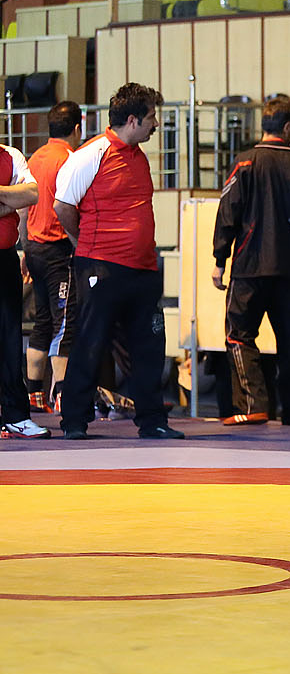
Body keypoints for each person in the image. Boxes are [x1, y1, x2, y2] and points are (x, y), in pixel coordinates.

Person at [54, 83, 184, 440]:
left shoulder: (139, 157)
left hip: (142, 268)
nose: (156, 124)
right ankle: (74, 421)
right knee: (90, 342)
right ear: (133, 120)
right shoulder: (91, 154)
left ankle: (153, 420)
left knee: (150, 345)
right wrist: (83, 240)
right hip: (101, 266)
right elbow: (62, 205)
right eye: (151, 117)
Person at [211, 95, 290, 427]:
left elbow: (228, 212)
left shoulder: (244, 163)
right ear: (289, 127)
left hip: (249, 267)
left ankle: (253, 405)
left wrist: (220, 258)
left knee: (238, 336)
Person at [22, 101, 80, 412]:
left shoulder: (35, 158)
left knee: (42, 321)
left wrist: (24, 246)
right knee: (64, 323)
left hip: (33, 248)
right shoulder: (69, 159)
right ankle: (63, 397)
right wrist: (78, 242)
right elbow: (68, 207)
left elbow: (23, 208)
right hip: (58, 250)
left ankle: (34, 394)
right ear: (77, 129)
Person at [0, 143, 46, 438]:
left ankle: (15, 415)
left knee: (9, 339)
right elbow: (20, 196)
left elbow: (32, 193)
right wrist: (10, 199)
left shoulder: (10, 155)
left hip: (4, 257)